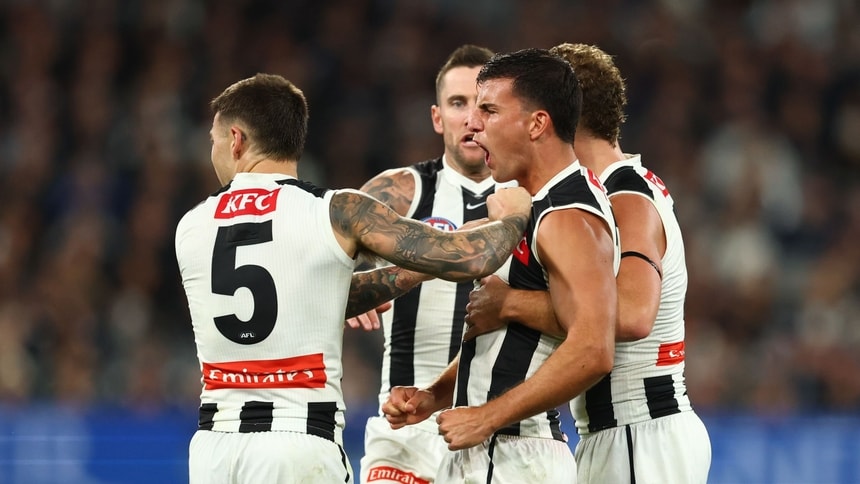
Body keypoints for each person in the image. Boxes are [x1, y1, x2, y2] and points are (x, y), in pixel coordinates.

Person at [174, 73, 532, 484]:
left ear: (236, 140)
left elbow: (292, 300)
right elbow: (471, 258)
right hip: (299, 442)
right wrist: (515, 214)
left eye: (213, 140)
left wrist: (406, 274)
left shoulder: (191, 226)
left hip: (215, 448)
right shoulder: (335, 211)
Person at [463, 43, 712, 483]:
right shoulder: (596, 192)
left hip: (639, 429)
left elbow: (632, 315)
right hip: (620, 432)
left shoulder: (625, 196)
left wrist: (511, 304)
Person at [382, 48, 619, 483]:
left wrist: (486, 417)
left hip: (517, 454)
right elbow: (505, 343)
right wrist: (435, 395)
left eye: (489, 110)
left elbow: (593, 348)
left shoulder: (569, 215)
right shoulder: (535, 205)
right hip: (492, 449)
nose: (473, 124)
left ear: (537, 124)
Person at [349, 44, 507, 484]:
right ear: (437, 117)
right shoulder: (400, 193)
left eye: (484, 106)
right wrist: (351, 285)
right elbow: (320, 259)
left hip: (501, 429)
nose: (471, 118)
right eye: (457, 103)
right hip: (405, 428)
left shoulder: (533, 200)